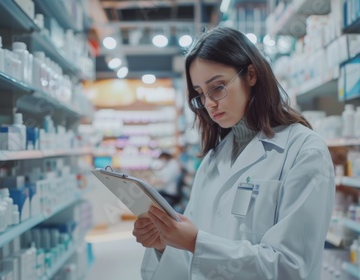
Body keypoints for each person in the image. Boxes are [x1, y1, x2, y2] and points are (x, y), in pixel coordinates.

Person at [132, 26, 335, 280]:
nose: (209, 104)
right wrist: (165, 242)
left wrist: (197, 242)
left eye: (217, 88)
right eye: (200, 95)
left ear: (251, 74)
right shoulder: (213, 160)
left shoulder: (304, 150)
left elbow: (290, 267)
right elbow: (193, 261)